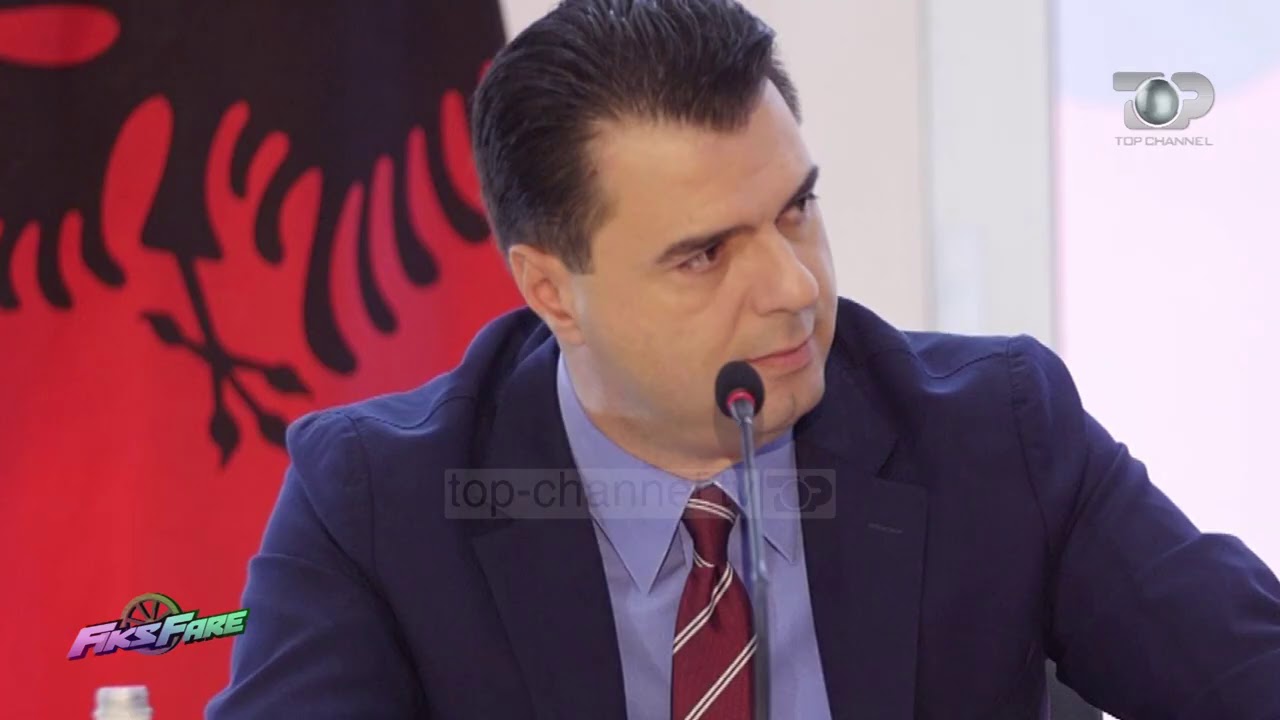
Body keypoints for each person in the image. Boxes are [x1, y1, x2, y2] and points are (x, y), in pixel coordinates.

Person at [206, 1, 1280, 718]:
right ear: (550, 291)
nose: (793, 287)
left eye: (796, 209)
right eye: (704, 255)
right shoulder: (379, 503)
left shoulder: (995, 434)